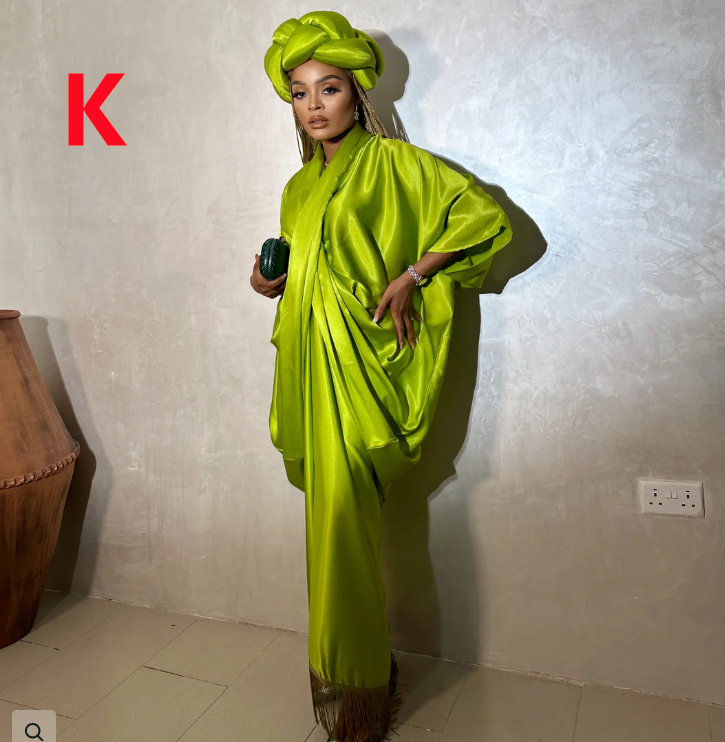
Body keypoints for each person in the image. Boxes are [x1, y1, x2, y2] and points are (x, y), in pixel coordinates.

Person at [252, 10, 513, 742]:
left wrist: (412, 274)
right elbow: (306, 267)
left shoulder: (395, 164)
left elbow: (479, 216)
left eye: (328, 88)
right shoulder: (297, 188)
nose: (313, 105)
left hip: (361, 370)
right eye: (299, 93)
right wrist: (268, 280)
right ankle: (356, 675)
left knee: (341, 523)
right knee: (330, 522)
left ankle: (356, 688)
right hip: (310, 363)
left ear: (356, 94)